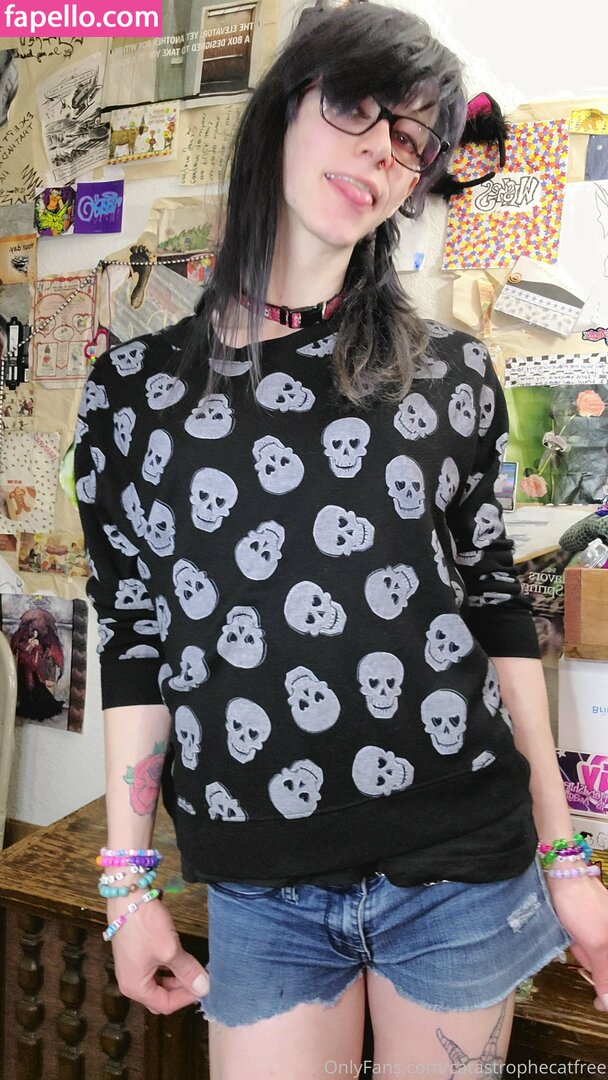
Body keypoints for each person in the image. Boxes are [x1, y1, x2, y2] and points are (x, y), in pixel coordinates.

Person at [74, 3, 608, 1076]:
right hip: (258, 883)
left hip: (462, 864)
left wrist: (566, 858)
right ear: (284, 105)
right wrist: (128, 886)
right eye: (358, 106)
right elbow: (135, 637)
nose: (381, 152)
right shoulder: (132, 392)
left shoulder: (450, 373)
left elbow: (498, 612)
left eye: (412, 142)